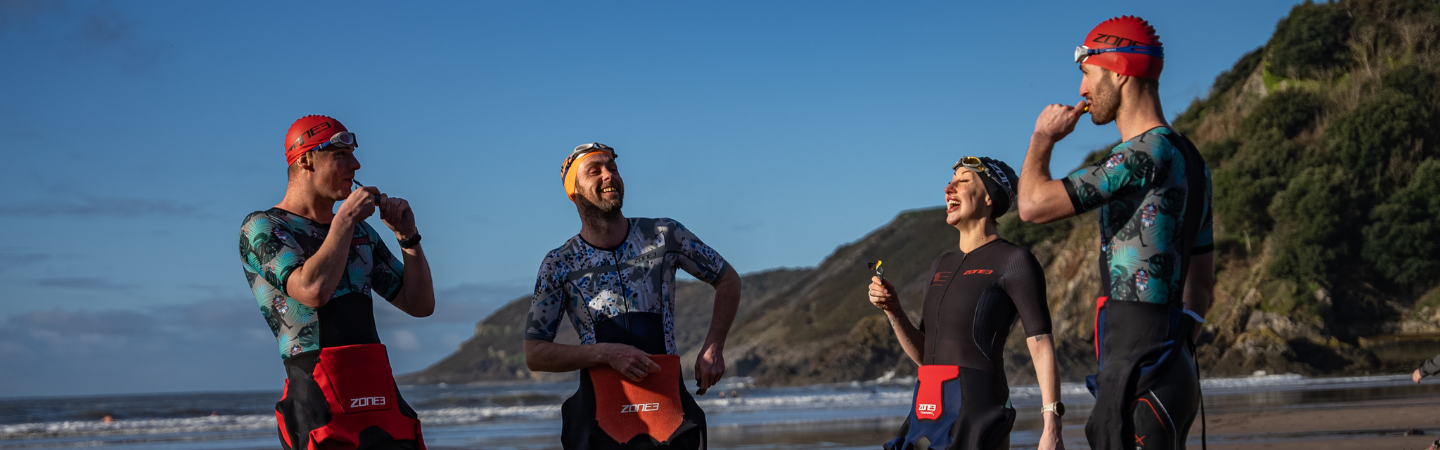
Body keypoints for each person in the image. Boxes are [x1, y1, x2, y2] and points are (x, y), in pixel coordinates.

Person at [1016, 16, 1214, 450]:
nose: (1082, 90)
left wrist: (1043, 137)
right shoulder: (1192, 159)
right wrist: (1177, 345)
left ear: (1119, 70)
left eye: (1087, 74)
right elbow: (1201, 280)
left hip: (1136, 361)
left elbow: (1031, 205)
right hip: (1170, 362)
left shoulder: (1140, 154)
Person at [524, 142, 742, 450]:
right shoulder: (560, 263)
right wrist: (606, 353)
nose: (609, 175)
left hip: (671, 414)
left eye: (612, 167)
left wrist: (713, 347)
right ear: (573, 191)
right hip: (599, 422)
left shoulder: (665, 236)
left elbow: (727, 279)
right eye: (595, 171)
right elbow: (535, 353)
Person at [239, 115, 435, 450]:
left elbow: (419, 305)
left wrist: (408, 238)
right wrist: (344, 218)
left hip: (376, 386)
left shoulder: (361, 232)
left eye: (353, 155)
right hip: (317, 393)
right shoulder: (264, 227)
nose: (355, 165)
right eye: (340, 155)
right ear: (305, 160)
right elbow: (312, 291)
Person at [869, 156, 1064, 450]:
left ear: (989, 195)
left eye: (962, 181)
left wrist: (1052, 428)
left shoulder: (1013, 261)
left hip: (979, 407)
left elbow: (1040, 345)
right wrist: (894, 311)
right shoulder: (941, 264)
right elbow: (927, 355)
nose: (949, 189)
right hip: (928, 405)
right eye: (949, 182)